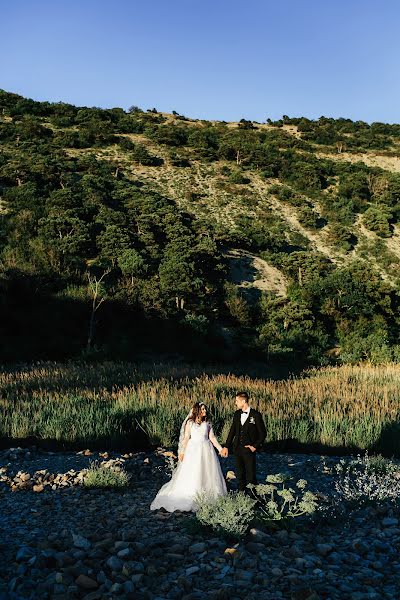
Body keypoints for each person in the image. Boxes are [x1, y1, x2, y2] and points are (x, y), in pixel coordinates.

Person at [150, 402, 227, 512]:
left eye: (205, 409)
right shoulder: (190, 423)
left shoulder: (207, 423)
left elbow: (212, 438)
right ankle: (192, 493)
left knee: (207, 471)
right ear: (197, 410)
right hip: (193, 450)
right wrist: (182, 452)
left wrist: (220, 449)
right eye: (203, 409)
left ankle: (206, 493)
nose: (205, 411)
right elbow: (186, 438)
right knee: (193, 471)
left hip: (206, 449)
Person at [220, 391, 266, 493]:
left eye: (237, 401)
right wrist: (226, 446)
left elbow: (262, 434)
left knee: (251, 476)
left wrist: (255, 446)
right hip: (237, 449)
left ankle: (253, 497)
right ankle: (241, 496)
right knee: (240, 475)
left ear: (243, 401)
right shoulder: (237, 414)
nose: (235, 403)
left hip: (249, 450)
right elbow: (232, 431)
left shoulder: (256, 415)